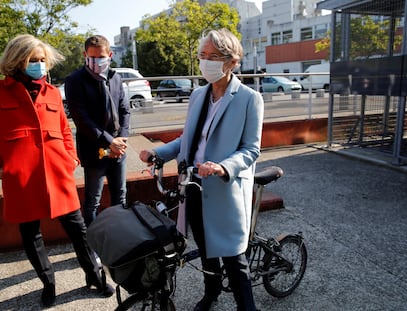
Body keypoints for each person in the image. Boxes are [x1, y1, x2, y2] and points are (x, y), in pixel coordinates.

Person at [140, 28, 263, 311]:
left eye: (213, 56)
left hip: (224, 190)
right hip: (192, 185)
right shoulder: (198, 95)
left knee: (233, 257)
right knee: (206, 250)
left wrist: (222, 167)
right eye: (202, 56)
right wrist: (158, 154)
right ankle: (211, 293)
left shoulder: (249, 99)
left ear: (231, 61)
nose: (205, 62)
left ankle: (248, 307)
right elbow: (188, 139)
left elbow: (251, 149)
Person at [0, 34, 114, 307]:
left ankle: (95, 277)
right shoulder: (1, 94)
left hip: (57, 175)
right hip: (22, 179)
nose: (39, 65)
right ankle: (48, 283)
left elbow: (64, 129)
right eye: (33, 60)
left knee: (80, 231)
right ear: (17, 61)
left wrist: (70, 157)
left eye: (42, 60)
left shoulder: (52, 92)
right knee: (31, 236)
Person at [65, 35, 130, 227]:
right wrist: (110, 141)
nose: (96, 62)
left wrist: (122, 139)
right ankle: (93, 245)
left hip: (119, 149)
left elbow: (125, 110)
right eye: (91, 57)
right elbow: (82, 119)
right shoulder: (74, 80)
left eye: (100, 57)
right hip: (94, 151)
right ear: (85, 55)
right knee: (93, 200)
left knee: (121, 196)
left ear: (109, 55)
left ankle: (123, 238)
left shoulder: (115, 77)